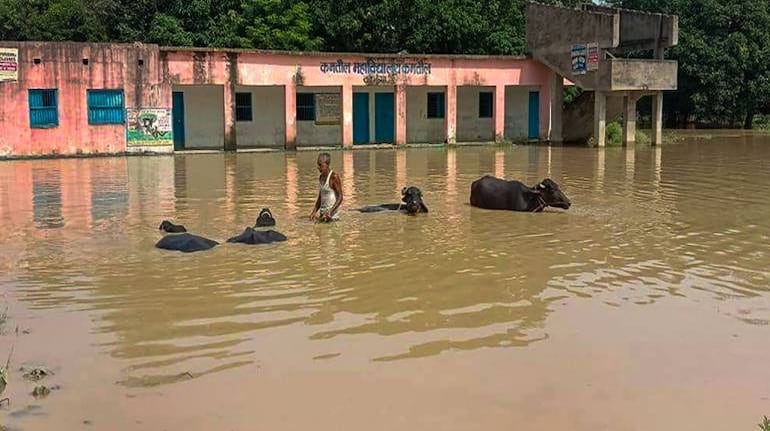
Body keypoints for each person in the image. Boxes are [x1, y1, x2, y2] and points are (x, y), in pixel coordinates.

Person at [310, 152, 343, 222]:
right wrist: (314, 212)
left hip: (333, 218)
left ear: (327, 164)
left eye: (320, 165)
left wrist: (330, 212)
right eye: (318, 165)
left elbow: (340, 197)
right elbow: (320, 197)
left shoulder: (334, 177)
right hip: (322, 215)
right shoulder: (321, 177)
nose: (318, 167)